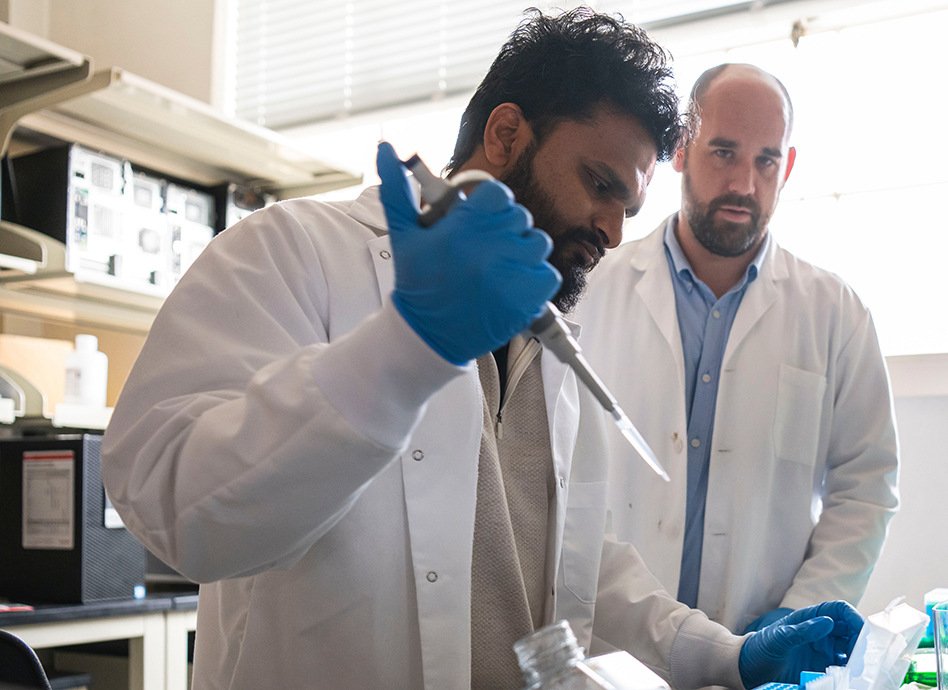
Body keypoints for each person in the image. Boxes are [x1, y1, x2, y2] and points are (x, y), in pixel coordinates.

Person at [101, 13, 863, 690]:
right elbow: (175, 510)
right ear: (505, 135)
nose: (611, 230)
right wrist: (407, 346)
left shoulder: (546, 335)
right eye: (598, 183)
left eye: (627, 205)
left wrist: (723, 657)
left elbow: (569, 561)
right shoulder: (292, 251)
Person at [574, 63, 900, 635]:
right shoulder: (591, 289)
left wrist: (798, 618)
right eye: (723, 152)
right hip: (616, 647)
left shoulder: (836, 313)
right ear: (679, 149)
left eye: (765, 160)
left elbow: (866, 486)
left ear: (788, 165)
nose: (744, 184)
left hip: (762, 647)